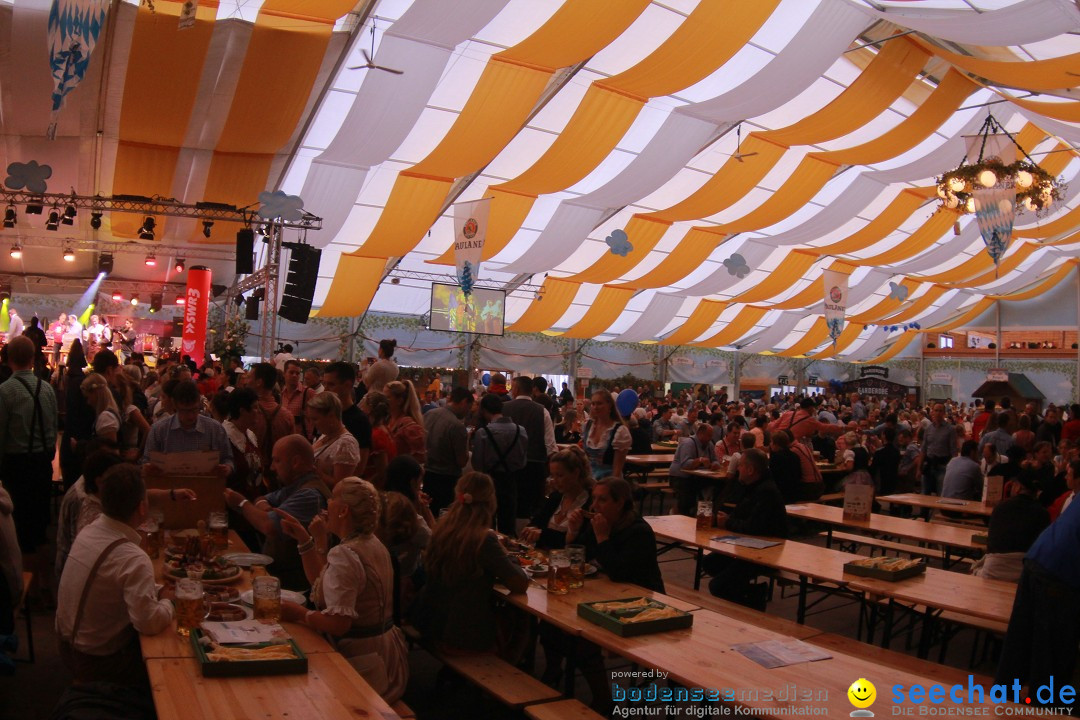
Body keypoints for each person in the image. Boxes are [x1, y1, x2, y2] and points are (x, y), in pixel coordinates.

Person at [277, 478, 409, 703]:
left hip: (363, 666)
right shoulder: (372, 542)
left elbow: (338, 624)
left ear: (344, 510)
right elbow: (324, 588)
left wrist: (299, 614)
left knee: (290, 691)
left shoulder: (346, 554)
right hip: (388, 656)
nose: (326, 503)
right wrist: (304, 539)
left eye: (332, 498)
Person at [55, 464, 174, 686]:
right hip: (99, 662)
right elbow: (148, 622)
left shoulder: (89, 531)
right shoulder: (133, 558)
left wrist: (157, 591)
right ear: (141, 508)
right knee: (173, 662)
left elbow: (113, 584)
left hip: (66, 648)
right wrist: (170, 602)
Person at [413, 472, 528, 657]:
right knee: (523, 618)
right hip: (462, 635)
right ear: (491, 501)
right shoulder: (483, 539)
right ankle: (508, 670)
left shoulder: (441, 529)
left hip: (430, 623)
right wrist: (507, 555)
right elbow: (519, 583)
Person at [995, 495, 1080, 713]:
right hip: (1062, 570)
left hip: (1039, 557)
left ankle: (1003, 704)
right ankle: (1043, 710)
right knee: (1051, 656)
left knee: (1020, 643)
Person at [223, 435, 330, 590]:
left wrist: (241, 503)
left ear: (295, 462)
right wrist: (267, 510)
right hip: (276, 576)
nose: (272, 467)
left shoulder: (310, 494)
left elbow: (268, 526)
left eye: (277, 460)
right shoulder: (295, 485)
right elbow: (260, 499)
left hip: (294, 586)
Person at [702, 448, 787, 609]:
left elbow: (753, 527)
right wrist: (723, 519)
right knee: (710, 563)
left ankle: (753, 598)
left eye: (740, 465)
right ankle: (749, 589)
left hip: (766, 551)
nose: (737, 468)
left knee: (717, 586)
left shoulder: (766, 492)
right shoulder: (751, 486)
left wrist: (726, 523)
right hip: (749, 544)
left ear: (750, 470)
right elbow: (739, 516)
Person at [0, 336, 58, 568]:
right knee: (41, 525)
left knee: (18, 527)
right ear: (34, 359)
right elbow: (53, 430)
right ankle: (42, 587)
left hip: (16, 466)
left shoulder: (5, 391)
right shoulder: (47, 390)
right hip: (42, 464)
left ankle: (22, 585)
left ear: (8, 359)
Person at [566, 477, 664, 592]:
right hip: (608, 588)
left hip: (640, 594)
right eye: (593, 498)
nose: (594, 505)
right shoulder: (599, 522)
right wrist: (574, 531)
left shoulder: (639, 531)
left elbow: (619, 574)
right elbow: (577, 559)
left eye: (602, 500)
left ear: (619, 504)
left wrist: (602, 538)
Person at [140, 379, 232, 479]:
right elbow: (147, 460)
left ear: (199, 404)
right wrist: (147, 468)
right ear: (174, 405)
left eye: (194, 410)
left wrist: (226, 468)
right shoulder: (159, 430)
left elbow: (228, 459)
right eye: (185, 411)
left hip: (206, 488)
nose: (190, 416)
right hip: (170, 489)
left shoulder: (215, 429)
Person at [973, 474, 1050, 582]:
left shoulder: (1000, 507)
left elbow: (991, 542)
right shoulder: (1043, 513)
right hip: (1024, 574)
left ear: (1018, 488)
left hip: (993, 570)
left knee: (975, 569)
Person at [471, 393, 528, 534]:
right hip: (511, 481)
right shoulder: (520, 431)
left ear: (483, 410)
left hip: (488, 482)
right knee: (508, 525)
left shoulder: (483, 433)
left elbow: (477, 464)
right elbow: (522, 461)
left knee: (486, 524)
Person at [503, 375, 557, 517]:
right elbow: (550, 445)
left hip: (508, 467)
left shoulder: (504, 409)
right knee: (530, 511)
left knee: (508, 509)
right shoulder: (542, 411)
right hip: (535, 467)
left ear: (516, 389)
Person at [520, 446, 592, 550]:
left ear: (576, 473)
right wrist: (532, 528)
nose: (554, 480)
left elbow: (581, 543)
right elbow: (538, 520)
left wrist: (543, 534)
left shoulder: (590, 503)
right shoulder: (556, 497)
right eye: (552, 475)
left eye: (559, 475)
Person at [422, 386, 472, 514]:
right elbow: (462, 461)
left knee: (428, 513)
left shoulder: (429, 414)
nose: (468, 412)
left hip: (426, 475)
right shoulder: (456, 426)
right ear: (464, 402)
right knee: (443, 515)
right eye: (469, 407)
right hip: (446, 480)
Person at [323, 361, 372, 477]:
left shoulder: (360, 421)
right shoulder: (327, 414)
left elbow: (359, 469)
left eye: (331, 385)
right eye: (324, 384)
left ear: (348, 385)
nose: (325, 390)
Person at [248, 362, 296, 481]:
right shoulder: (287, 416)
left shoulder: (248, 414)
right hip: (280, 477)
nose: (246, 381)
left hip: (253, 476)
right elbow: (292, 448)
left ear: (259, 382)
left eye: (249, 377)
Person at [307, 391, 362, 487]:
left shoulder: (346, 443)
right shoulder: (325, 434)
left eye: (315, 419)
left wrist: (314, 472)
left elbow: (340, 485)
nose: (312, 423)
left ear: (331, 416)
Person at [668, 422, 722, 516]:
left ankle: (709, 513)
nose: (710, 438)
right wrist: (700, 460)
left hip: (697, 477)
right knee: (688, 491)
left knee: (719, 485)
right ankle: (681, 514)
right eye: (708, 436)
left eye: (711, 436)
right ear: (700, 434)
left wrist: (715, 464)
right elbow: (685, 464)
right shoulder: (688, 443)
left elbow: (715, 460)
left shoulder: (709, 444)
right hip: (680, 477)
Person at [582, 390, 630, 482]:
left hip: (609, 483)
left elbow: (617, 469)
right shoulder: (588, 426)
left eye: (599, 404)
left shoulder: (620, 431)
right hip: (589, 480)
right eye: (593, 404)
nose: (595, 407)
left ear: (610, 405)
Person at [360, 391, 396, 488]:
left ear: (369, 409)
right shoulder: (385, 429)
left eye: (363, 405)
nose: (361, 408)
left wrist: (364, 488)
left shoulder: (376, 435)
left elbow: (382, 473)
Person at [921, 403, 958, 497]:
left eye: (940, 411)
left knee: (941, 493)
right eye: (936, 410)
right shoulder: (928, 429)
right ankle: (924, 511)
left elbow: (954, 451)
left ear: (944, 413)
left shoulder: (950, 429)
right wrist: (919, 468)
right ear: (932, 412)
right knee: (924, 494)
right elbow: (923, 449)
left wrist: (953, 469)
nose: (937, 413)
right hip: (928, 464)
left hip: (943, 465)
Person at [385, 380, 426, 465]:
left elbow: (420, 458)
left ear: (399, 401)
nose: (384, 401)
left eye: (388, 397)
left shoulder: (409, 426)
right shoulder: (387, 419)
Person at [281, 360, 315, 441]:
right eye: (291, 372)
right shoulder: (282, 394)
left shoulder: (308, 392)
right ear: (284, 374)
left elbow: (316, 417)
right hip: (285, 439)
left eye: (297, 373)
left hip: (302, 441)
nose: (294, 375)